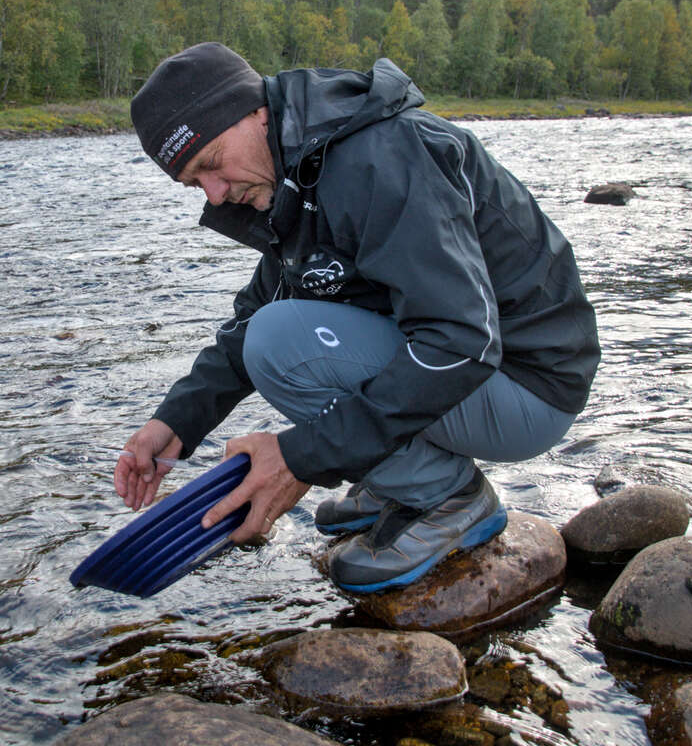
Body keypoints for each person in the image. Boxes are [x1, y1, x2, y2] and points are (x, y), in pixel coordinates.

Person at [114, 42, 599, 593]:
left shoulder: (375, 158)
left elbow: (460, 339)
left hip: (527, 384)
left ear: (254, 112)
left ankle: (446, 497)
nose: (215, 193)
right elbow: (262, 306)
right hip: (485, 369)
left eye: (211, 165)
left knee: (281, 343)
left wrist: (299, 458)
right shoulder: (299, 168)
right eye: (194, 184)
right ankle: (400, 474)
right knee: (276, 327)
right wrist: (175, 423)